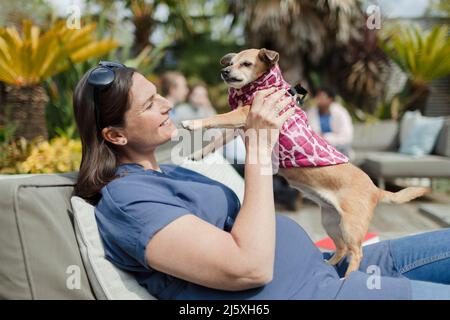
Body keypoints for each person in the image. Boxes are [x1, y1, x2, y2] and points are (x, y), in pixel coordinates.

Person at [73, 61, 450, 300]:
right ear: (115, 135)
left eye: (159, 95)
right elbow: (249, 268)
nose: (167, 105)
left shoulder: (170, 171)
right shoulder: (128, 200)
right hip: (315, 291)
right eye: (149, 104)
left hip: (334, 264)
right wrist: (259, 146)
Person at [307, 87, 354, 157]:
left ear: (330, 100)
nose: (318, 100)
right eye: (317, 96)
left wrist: (325, 137)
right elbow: (310, 135)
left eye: (322, 97)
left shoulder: (341, 113)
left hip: (339, 148)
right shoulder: (311, 113)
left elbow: (346, 136)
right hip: (318, 149)